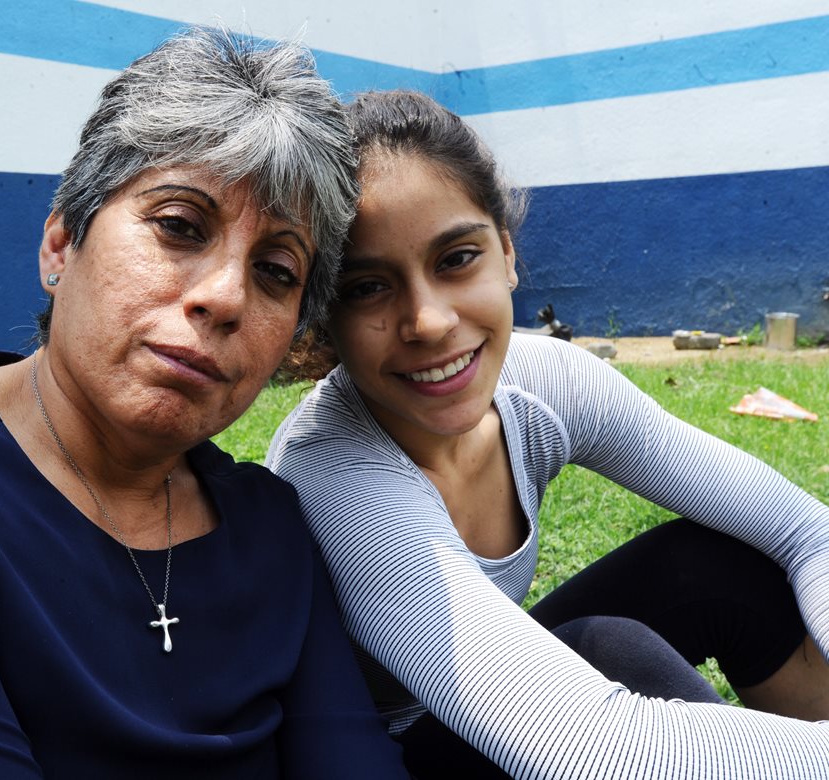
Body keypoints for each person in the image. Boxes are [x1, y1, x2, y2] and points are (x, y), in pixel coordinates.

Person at [0, 30, 411, 779]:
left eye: (277, 271)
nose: (224, 296)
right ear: (61, 244)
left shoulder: (267, 527)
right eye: (179, 226)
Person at [266, 89, 829, 778]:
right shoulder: (332, 468)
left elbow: (805, 530)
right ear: (324, 316)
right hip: (383, 758)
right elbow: (584, 747)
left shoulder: (543, 380)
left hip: (490, 715)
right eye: (366, 288)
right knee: (609, 652)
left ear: (505, 253)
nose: (429, 321)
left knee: (719, 564)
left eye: (456, 259)